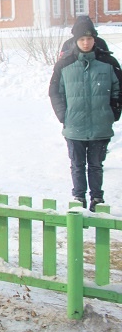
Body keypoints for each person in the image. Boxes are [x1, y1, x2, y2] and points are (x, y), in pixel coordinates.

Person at [49, 18, 120, 212]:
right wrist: (64, 115)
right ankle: (78, 198)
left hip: (100, 126)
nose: (86, 42)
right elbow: (55, 92)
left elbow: (118, 90)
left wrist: (113, 113)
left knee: (96, 165)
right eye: (82, 39)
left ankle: (97, 198)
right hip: (74, 126)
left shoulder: (108, 63)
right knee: (77, 165)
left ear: (94, 39)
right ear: (76, 40)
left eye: (89, 38)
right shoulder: (64, 65)